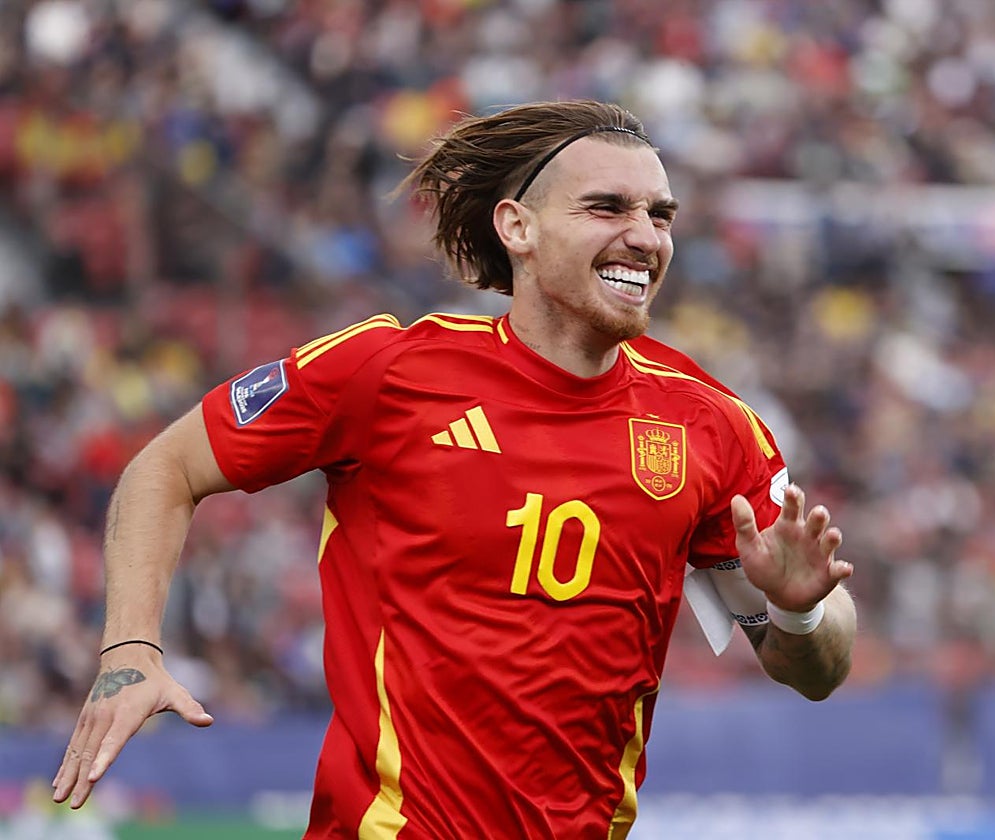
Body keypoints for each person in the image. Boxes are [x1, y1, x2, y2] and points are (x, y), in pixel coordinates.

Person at [52, 100, 857, 839]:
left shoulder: (711, 424)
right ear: (518, 227)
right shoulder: (388, 371)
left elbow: (818, 670)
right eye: (607, 208)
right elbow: (167, 467)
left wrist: (795, 614)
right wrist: (132, 649)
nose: (645, 236)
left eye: (659, 214)